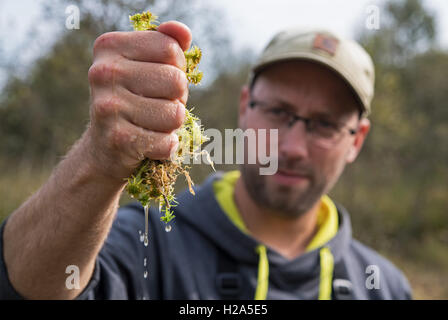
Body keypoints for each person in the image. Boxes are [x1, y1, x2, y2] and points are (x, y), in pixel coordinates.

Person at [0, 21, 412, 300]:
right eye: (278, 112)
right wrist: (99, 161)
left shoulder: (385, 286)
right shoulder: (147, 241)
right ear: (245, 107)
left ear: (356, 140)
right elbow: (31, 285)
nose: (292, 147)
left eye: (324, 125)